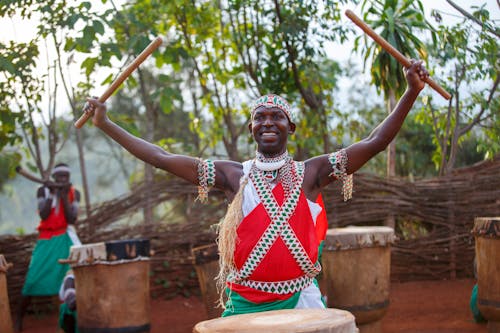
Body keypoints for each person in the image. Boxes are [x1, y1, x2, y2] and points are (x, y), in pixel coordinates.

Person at [84, 60, 428, 316]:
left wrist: (411, 91)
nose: (267, 122)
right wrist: (106, 124)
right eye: (260, 117)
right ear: (251, 128)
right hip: (245, 304)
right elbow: (160, 157)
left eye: (276, 116)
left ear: (290, 126)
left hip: (301, 302)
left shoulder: (312, 173)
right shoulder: (233, 176)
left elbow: (376, 141)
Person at [15, 163, 81, 332]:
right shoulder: (42, 191)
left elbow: (71, 218)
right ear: (54, 178)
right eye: (60, 177)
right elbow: (44, 214)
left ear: (69, 178)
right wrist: (52, 193)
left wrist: (64, 195)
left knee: (74, 275)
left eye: (66, 177)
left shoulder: (75, 193)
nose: (63, 179)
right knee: (33, 279)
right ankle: (17, 319)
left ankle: (72, 318)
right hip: (46, 239)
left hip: (66, 238)